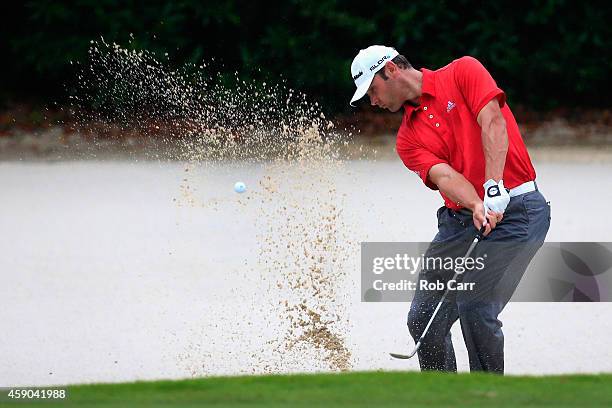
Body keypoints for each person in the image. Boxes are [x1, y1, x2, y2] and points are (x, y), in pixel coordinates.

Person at [349, 45, 551, 374]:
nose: (373, 101)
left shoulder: (462, 72)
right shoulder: (407, 139)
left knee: (475, 305)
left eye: (372, 90)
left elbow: (493, 122)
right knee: (423, 319)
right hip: (460, 222)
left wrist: (494, 185)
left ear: (391, 70)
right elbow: (444, 175)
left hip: (519, 212)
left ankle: (486, 395)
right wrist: (476, 204)